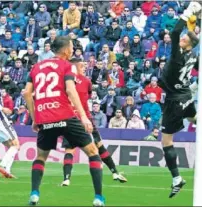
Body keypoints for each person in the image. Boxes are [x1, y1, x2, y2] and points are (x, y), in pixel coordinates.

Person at [23, 36, 105, 206]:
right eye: (71, 47)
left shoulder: (37, 67)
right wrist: (83, 117)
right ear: (66, 49)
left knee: (41, 157)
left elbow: (26, 93)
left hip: (44, 118)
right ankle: (98, 197)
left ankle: (34, 194)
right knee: (92, 152)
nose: (72, 50)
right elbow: (70, 90)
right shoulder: (67, 66)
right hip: (65, 115)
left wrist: (34, 117)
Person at [60, 59, 127, 188]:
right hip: (85, 118)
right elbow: (89, 96)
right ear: (75, 67)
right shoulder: (86, 81)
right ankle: (114, 172)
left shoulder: (64, 81)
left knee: (70, 149)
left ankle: (66, 179)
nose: (84, 68)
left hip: (70, 119)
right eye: (82, 66)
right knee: (99, 146)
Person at [158, 2, 200, 198]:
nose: (181, 38)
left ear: (188, 44)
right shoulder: (193, 55)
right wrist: (195, 20)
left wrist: (188, 13)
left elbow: (175, 33)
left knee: (166, 141)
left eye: (185, 38)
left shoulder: (178, 56)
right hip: (185, 95)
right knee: (194, 119)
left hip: (175, 100)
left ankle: (176, 178)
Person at [0, 62, 21, 178]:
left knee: (10, 145)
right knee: (16, 144)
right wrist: (2, 108)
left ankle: (7, 170)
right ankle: (2, 165)